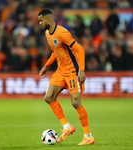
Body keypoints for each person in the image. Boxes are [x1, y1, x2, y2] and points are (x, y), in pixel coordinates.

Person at [38, 9, 95, 145]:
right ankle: (67, 127)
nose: (39, 23)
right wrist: (46, 65)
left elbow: (79, 49)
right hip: (60, 71)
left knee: (75, 103)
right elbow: (55, 51)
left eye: (41, 20)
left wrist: (81, 71)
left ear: (49, 19)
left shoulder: (62, 33)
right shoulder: (47, 33)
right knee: (49, 97)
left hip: (72, 71)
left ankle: (88, 136)